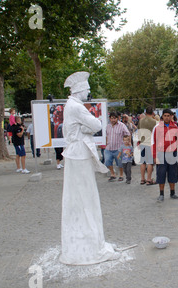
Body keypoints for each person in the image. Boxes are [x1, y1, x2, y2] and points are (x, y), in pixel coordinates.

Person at [60, 71, 121, 265]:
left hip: (75, 154)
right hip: (79, 155)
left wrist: (84, 128)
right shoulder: (76, 107)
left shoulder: (70, 105)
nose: (89, 92)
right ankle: (94, 247)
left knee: (80, 200)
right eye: (87, 89)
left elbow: (86, 127)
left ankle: (90, 242)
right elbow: (96, 124)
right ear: (80, 90)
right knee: (86, 199)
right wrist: (87, 128)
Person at [152, 109, 178, 202]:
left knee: (173, 173)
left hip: (172, 154)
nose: (166, 117)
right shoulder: (157, 127)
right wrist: (154, 156)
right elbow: (153, 142)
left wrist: (176, 149)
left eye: (168, 115)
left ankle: (172, 193)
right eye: (165, 115)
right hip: (161, 154)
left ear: (171, 116)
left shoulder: (175, 126)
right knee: (161, 174)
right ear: (162, 116)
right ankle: (161, 194)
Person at [105, 111, 130, 182]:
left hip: (118, 148)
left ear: (117, 118)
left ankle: (121, 175)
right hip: (109, 148)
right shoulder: (108, 126)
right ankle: (112, 174)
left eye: (114, 118)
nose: (113, 120)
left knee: (120, 163)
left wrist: (127, 143)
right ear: (109, 118)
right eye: (112, 118)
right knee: (107, 161)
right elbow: (107, 135)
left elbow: (127, 134)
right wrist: (106, 144)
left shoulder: (122, 126)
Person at [137, 107, 157, 185]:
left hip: (142, 143)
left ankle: (142, 179)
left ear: (145, 113)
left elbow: (138, 131)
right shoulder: (155, 122)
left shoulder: (141, 121)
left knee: (143, 161)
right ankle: (149, 179)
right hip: (150, 143)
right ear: (152, 113)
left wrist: (139, 141)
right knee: (150, 162)